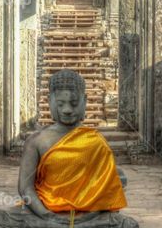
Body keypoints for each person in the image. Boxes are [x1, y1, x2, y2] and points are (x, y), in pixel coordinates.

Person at [18, 69, 127, 217]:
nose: (67, 110)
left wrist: (113, 182)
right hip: (46, 210)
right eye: (60, 104)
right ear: (50, 101)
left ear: (85, 101)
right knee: (3, 219)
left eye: (74, 103)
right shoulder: (36, 141)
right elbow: (25, 188)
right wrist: (46, 215)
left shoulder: (96, 142)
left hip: (89, 213)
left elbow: (106, 187)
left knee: (126, 225)